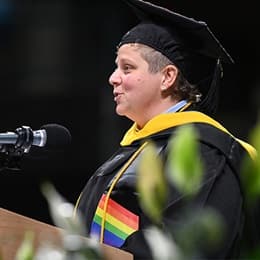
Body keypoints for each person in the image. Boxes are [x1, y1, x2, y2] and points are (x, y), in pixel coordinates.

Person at [74, 0, 257, 259]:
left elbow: (189, 246)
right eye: (117, 67)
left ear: (167, 77)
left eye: (127, 67)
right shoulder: (126, 156)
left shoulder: (207, 152)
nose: (113, 78)